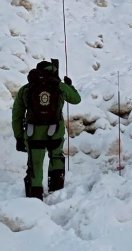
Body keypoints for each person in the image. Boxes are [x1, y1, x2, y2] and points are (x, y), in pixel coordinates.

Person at [12, 60, 81, 200]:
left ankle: (35, 198)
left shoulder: (26, 89)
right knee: (56, 158)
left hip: (33, 133)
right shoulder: (59, 86)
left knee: (35, 164)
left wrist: (19, 137)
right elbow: (76, 99)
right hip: (55, 131)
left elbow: (17, 116)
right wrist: (70, 86)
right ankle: (56, 193)